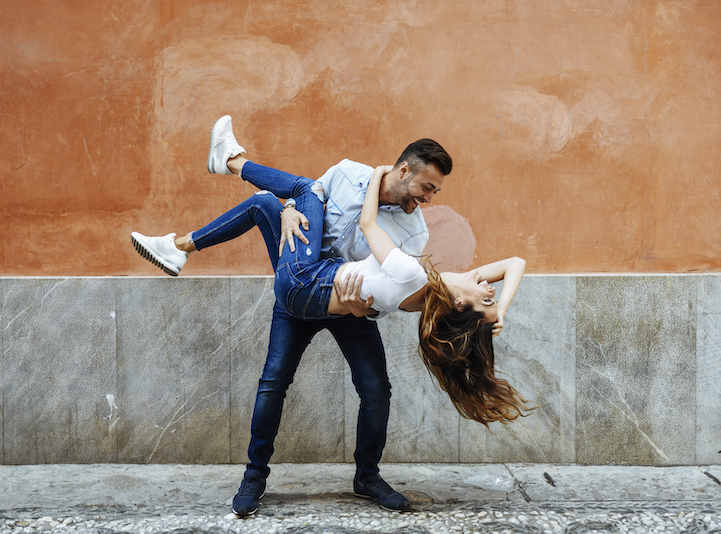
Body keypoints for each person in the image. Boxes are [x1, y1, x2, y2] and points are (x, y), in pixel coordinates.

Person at [130, 116, 527, 516]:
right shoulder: (348, 174)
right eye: (426, 188)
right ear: (404, 170)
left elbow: (399, 296)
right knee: (273, 381)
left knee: (376, 390)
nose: (426, 200)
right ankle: (254, 476)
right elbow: (308, 200)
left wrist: (364, 307)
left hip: (346, 306)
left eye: (433, 192)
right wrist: (287, 211)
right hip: (305, 274)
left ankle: (367, 476)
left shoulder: (415, 234)